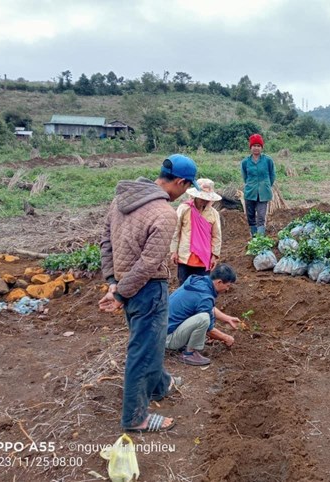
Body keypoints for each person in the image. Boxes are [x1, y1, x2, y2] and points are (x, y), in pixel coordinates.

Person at [99, 154, 200, 432]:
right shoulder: (164, 213)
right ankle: (135, 418)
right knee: (142, 352)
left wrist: (113, 282)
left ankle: (159, 385)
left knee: (150, 344)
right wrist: (119, 294)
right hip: (147, 290)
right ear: (179, 182)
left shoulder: (121, 201)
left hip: (125, 285)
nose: (184, 194)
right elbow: (147, 264)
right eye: (187, 187)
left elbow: (106, 242)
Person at [165, 264, 240, 365]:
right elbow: (209, 330)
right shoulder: (204, 296)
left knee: (203, 315)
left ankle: (185, 343)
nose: (227, 289)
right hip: (167, 339)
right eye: (228, 286)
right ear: (219, 282)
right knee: (204, 319)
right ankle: (190, 353)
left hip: (160, 331)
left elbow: (207, 307)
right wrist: (226, 338)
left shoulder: (199, 282)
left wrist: (227, 319)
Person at [170, 178, 223, 286]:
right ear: (195, 196)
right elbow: (176, 230)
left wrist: (215, 255)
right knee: (184, 286)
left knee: (202, 287)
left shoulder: (213, 214)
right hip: (185, 256)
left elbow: (216, 236)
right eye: (201, 198)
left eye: (207, 198)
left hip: (204, 258)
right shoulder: (184, 209)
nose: (204, 201)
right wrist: (173, 251)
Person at [241, 133, 275, 237]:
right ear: (250, 147)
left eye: (258, 146)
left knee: (261, 216)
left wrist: (267, 185)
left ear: (261, 147)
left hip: (263, 193)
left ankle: (260, 239)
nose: (256, 148)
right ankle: (253, 236)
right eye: (254, 146)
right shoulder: (245, 162)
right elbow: (245, 177)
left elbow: (272, 175)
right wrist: (251, 185)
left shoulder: (268, 160)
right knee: (250, 216)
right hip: (250, 192)